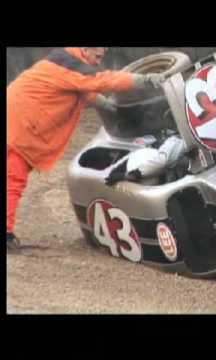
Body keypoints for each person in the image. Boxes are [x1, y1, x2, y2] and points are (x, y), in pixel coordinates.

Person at [7, 47, 167, 252]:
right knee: (13, 181)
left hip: (17, 122)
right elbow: (101, 80)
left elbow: (87, 91)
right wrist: (141, 80)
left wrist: (112, 110)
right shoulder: (68, 63)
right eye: (98, 53)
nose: (101, 57)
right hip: (18, 127)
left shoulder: (65, 62)